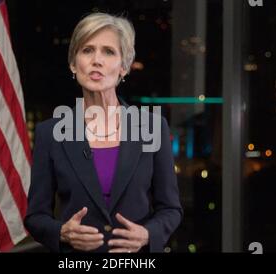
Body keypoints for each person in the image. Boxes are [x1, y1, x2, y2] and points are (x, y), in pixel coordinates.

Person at [24, 12, 182, 253]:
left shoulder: (153, 128)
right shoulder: (50, 133)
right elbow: (36, 217)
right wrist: (62, 232)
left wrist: (148, 234)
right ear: (73, 64)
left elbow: (171, 210)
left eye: (108, 52)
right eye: (87, 50)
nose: (96, 60)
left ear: (124, 67)